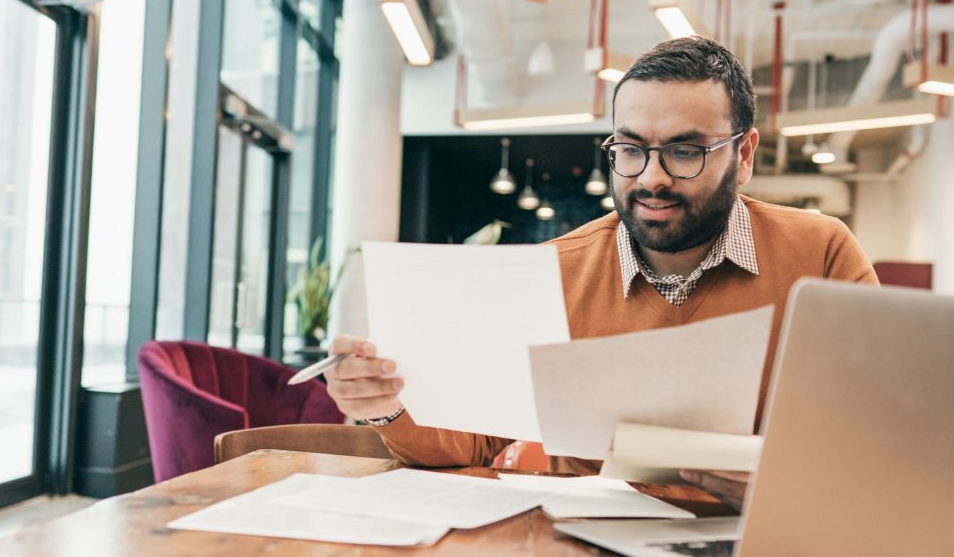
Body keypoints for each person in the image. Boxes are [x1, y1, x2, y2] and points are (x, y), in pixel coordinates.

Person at [323, 36, 878, 510]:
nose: (652, 178)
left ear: (745, 153)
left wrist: (790, 482)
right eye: (631, 149)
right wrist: (386, 404)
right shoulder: (557, 270)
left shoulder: (821, 255)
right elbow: (473, 442)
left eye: (685, 151)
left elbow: (877, 437)